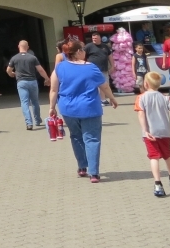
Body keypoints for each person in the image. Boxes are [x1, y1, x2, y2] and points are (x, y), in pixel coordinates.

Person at [48, 40, 118, 182]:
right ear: (79, 52)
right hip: (89, 108)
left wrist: (52, 107)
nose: (85, 52)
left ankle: (81, 167)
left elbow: (54, 89)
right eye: (83, 49)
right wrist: (112, 98)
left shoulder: (60, 67)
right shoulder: (91, 67)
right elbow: (104, 86)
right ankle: (94, 173)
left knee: (76, 136)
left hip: (68, 108)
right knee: (92, 138)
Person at [6, 40, 51, 130]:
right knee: (35, 101)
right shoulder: (32, 58)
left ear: (19, 46)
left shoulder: (14, 58)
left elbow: (8, 70)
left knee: (24, 102)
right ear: (28, 47)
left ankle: (29, 123)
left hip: (21, 82)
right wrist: (47, 79)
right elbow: (40, 70)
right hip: (32, 81)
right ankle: (37, 120)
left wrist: (12, 74)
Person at [84, 33, 112, 104]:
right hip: (92, 70)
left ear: (100, 38)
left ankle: (103, 99)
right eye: (93, 38)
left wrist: (113, 66)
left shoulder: (105, 46)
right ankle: (96, 100)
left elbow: (110, 56)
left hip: (104, 69)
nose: (94, 40)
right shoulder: (88, 46)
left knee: (105, 84)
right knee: (94, 85)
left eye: (96, 38)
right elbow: (83, 56)